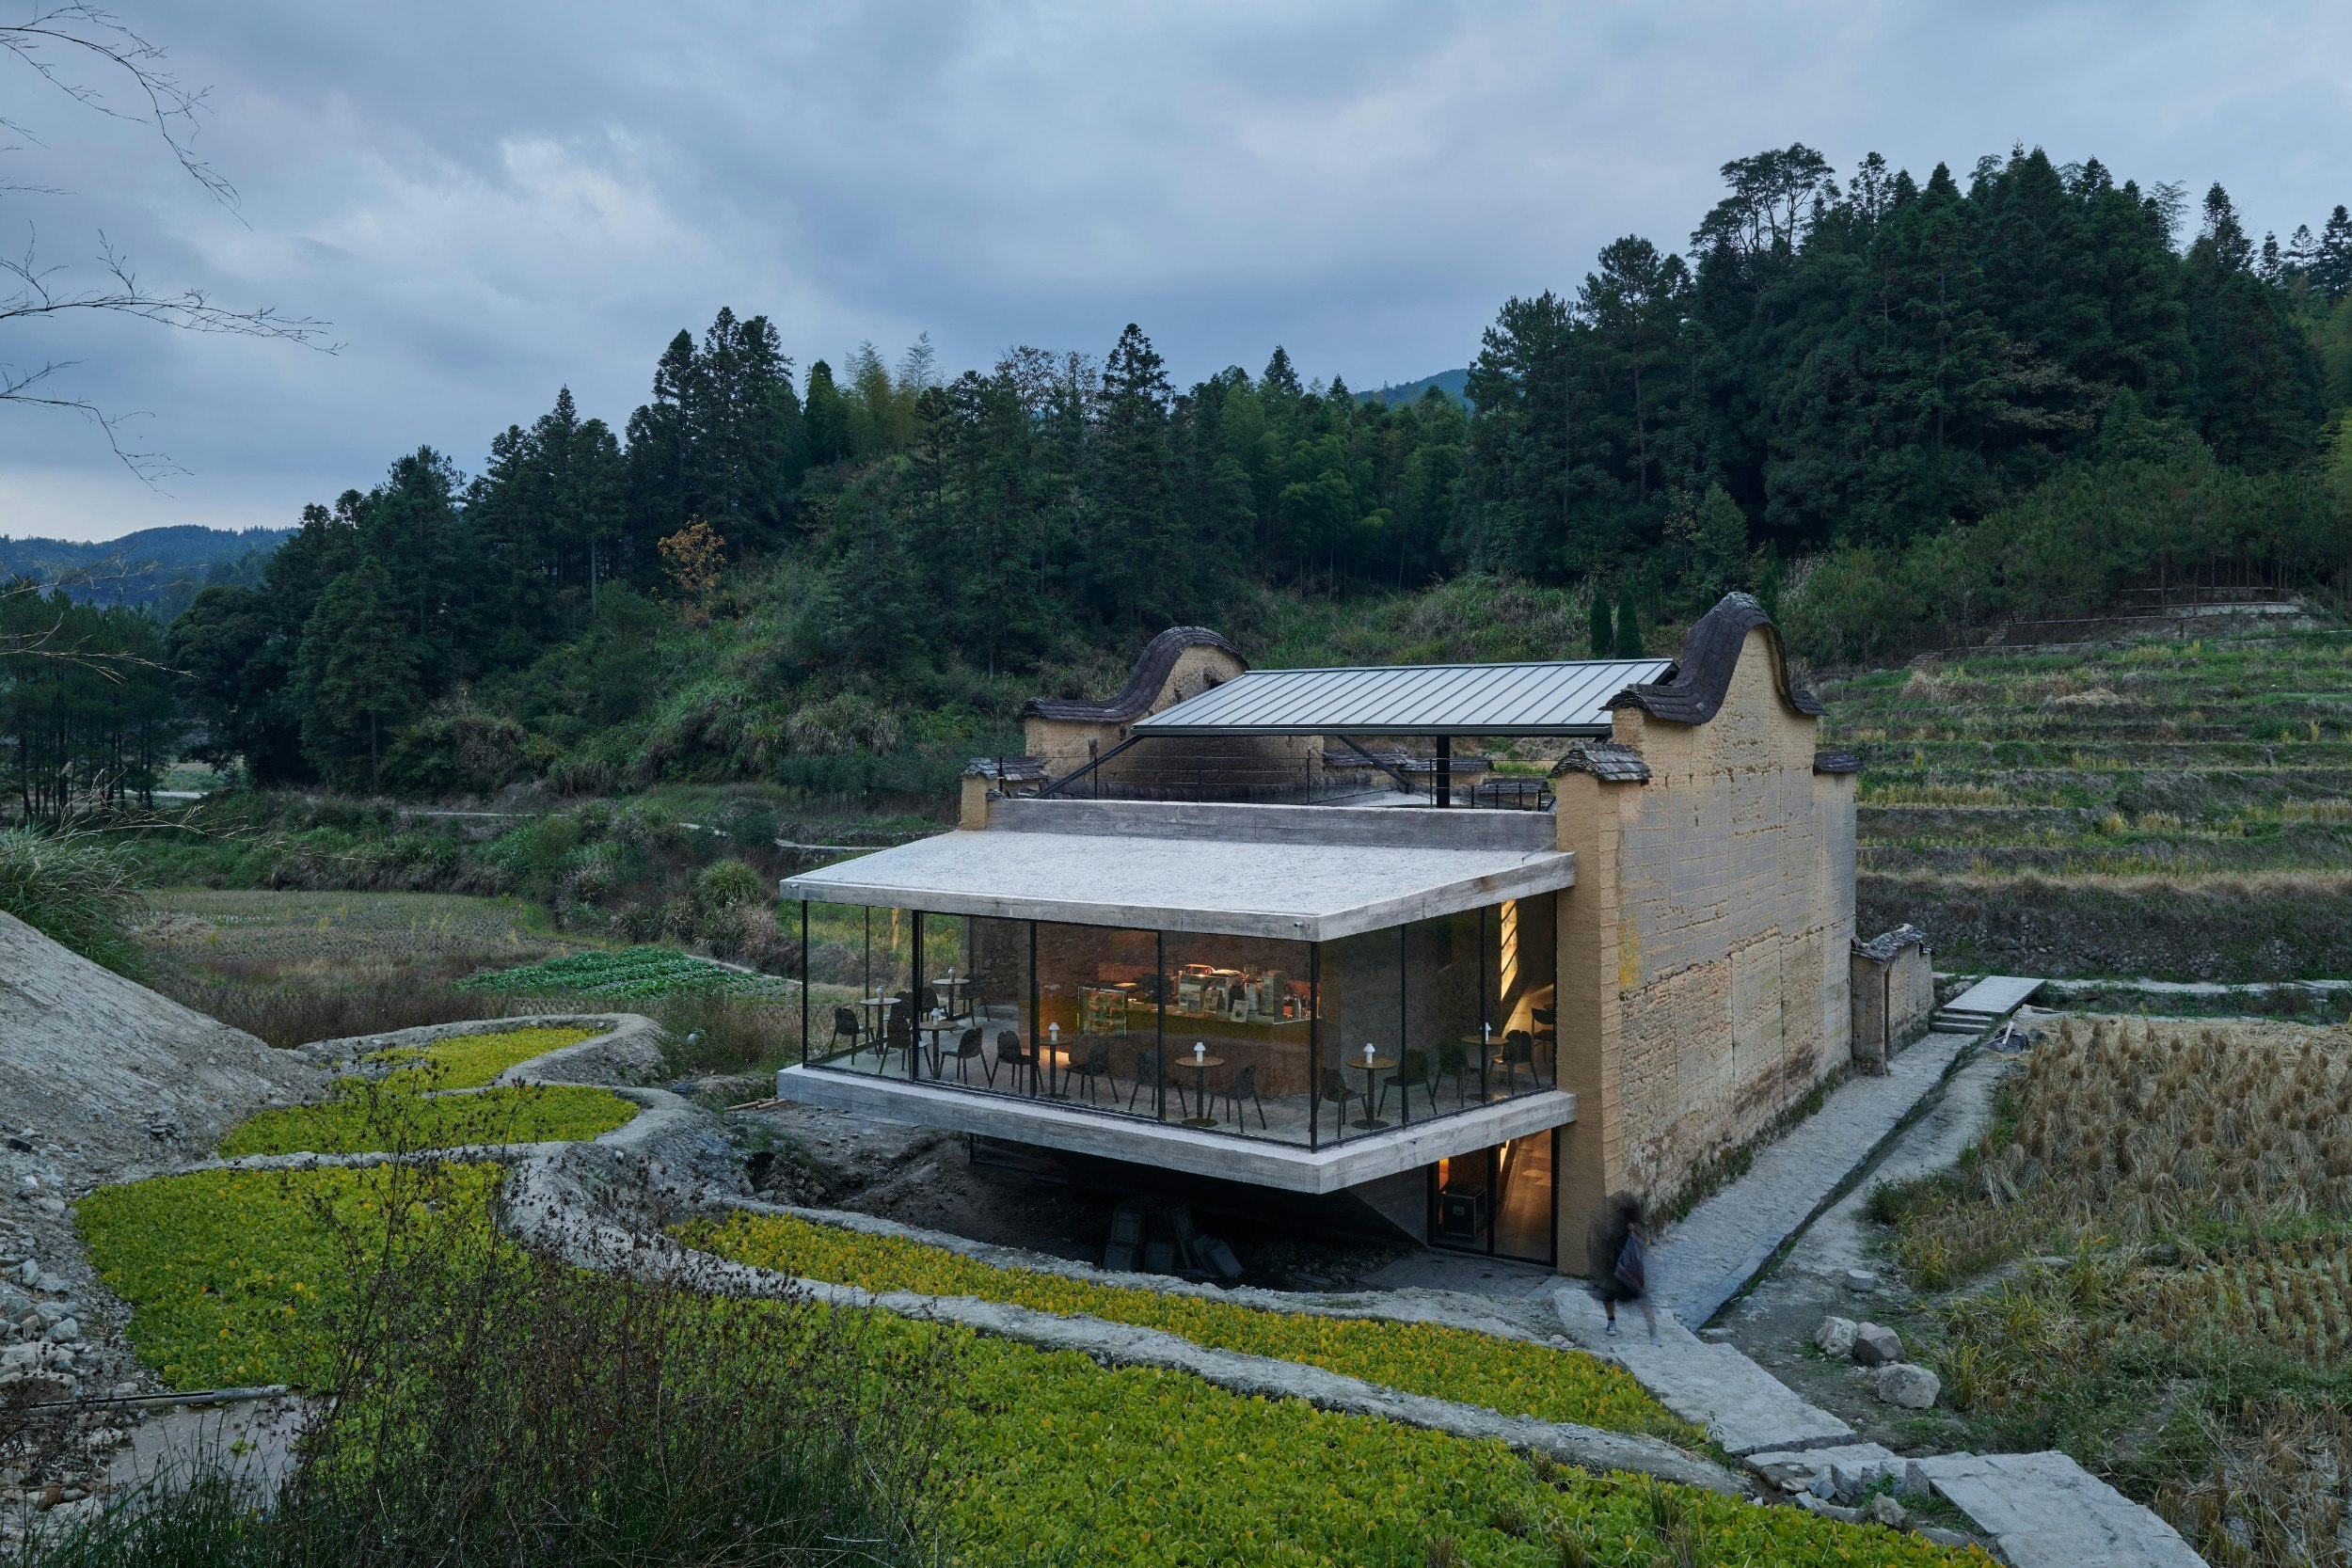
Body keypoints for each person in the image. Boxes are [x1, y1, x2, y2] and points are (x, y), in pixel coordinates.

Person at [1587, 1191, 1657, 1343]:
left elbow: (1643, 1237)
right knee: (1608, 1293)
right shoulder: (1611, 1219)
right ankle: (1611, 1321)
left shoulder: (1633, 1221)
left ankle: (1652, 1328)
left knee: (1639, 1295)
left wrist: (1634, 1229)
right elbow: (1601, 1236)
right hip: (1611, 1263)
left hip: (1629, 1266)